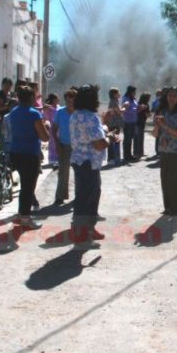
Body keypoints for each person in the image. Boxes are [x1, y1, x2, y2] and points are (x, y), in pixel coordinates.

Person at [70, 85, 110, 246]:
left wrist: (104, 127)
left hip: (81, 161)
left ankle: (89, 229)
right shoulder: (90, 117)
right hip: (88, 162)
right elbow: (99, 143)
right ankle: (81, 233)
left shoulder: (76, 115)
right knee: (87, 197)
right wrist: (110, 139)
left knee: (88, 195)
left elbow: (92, 134)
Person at [8, 85, 49, 230]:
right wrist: (46, 126)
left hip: (15, 152)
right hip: (30, 153)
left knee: (24, 186)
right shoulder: (34, 114)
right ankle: (25, 217)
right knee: (28, 187)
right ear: (31, 98)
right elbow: (44, 137)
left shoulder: (13, 112)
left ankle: (21, 215)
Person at [152, 87, 177, 217]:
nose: (172, 98)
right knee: (165, 181)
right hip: (164, 151)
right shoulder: (162, 111)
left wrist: (164, 126)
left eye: (174, 95)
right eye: (169, 95)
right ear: (165, 97)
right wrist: (157, 126)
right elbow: (155, 134)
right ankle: (168, 207)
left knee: (176, 181)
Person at [53, 88, 76, 205]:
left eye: (71, 102)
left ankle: (79, 195)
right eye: (67, 101)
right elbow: (54, 128)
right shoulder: (60, 112)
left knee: (79, 172)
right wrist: (57, 144)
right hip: (64, 145)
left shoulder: (79, 113)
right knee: (63, 171)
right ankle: (60, 196)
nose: (69, 104)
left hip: (78, 147)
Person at [103, 87, 123, 165]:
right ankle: (111, 158)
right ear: (114, 94)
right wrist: (124, 107)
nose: (119, 94)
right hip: (113, 124)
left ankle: (115, 157)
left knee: (114, 140)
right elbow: (119, 112)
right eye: (118, 93)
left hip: (115, 124)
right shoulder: (113, 102)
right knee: (112, 140)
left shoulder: (115, 101)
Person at [121, 85, 138, 161]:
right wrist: (135, 109)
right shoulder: (126, 99)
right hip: (127, 121)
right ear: (130, 92)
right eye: (134, 91)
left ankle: (129, 155)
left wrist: (139, 108)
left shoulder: (133, 99)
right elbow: (125, 108)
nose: (135, 93)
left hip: (133, 121)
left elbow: (135, 108)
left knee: (130, 138)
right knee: (127, 139)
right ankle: (126, 156)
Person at [42, 93, 60, 166]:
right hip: (52, 128)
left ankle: (59, 157)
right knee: (53, 144)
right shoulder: (48, 109)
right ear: (53, 100)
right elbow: (45, 118)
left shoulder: (59, 107)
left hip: (60, 128)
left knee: (59, 142)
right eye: (57, 99)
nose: (59, 100)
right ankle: (52, 159)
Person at [135, 92, 151, 158]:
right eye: (148, 98)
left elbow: (148, 113)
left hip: (141, 122)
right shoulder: (140, 104)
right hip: (139, 122)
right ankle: (138, 152)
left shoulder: (143, 104)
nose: (149, 99)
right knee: (139, 137)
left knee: (139, 137)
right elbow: (137, 112)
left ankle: (140, 152)